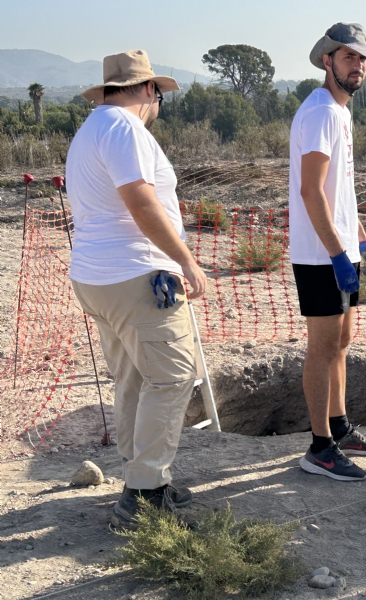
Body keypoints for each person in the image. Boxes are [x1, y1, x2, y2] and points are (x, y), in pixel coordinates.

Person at [67, 50, 207, 527]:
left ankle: (143, 478)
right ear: (149, 90)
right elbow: (141, 202)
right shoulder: (126, 130)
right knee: (172, 376)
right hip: (136, 276)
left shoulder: (90, 129)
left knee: (132, 377)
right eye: (160, 95)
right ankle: (144, 496)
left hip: (98, 277)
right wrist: (187, 261)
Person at [289, 23, 366, 482]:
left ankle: (341, 427)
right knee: (322, 348)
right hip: (319, 253)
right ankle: (319, 447)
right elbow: (311, 192)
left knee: (342, 344)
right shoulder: (322, 113)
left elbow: (338, 191)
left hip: (341, 249)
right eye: (350, 57)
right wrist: (335, 254)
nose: (359, 65)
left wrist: (360, 239)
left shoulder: (340, 113)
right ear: (327, 60)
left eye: (363, 58)